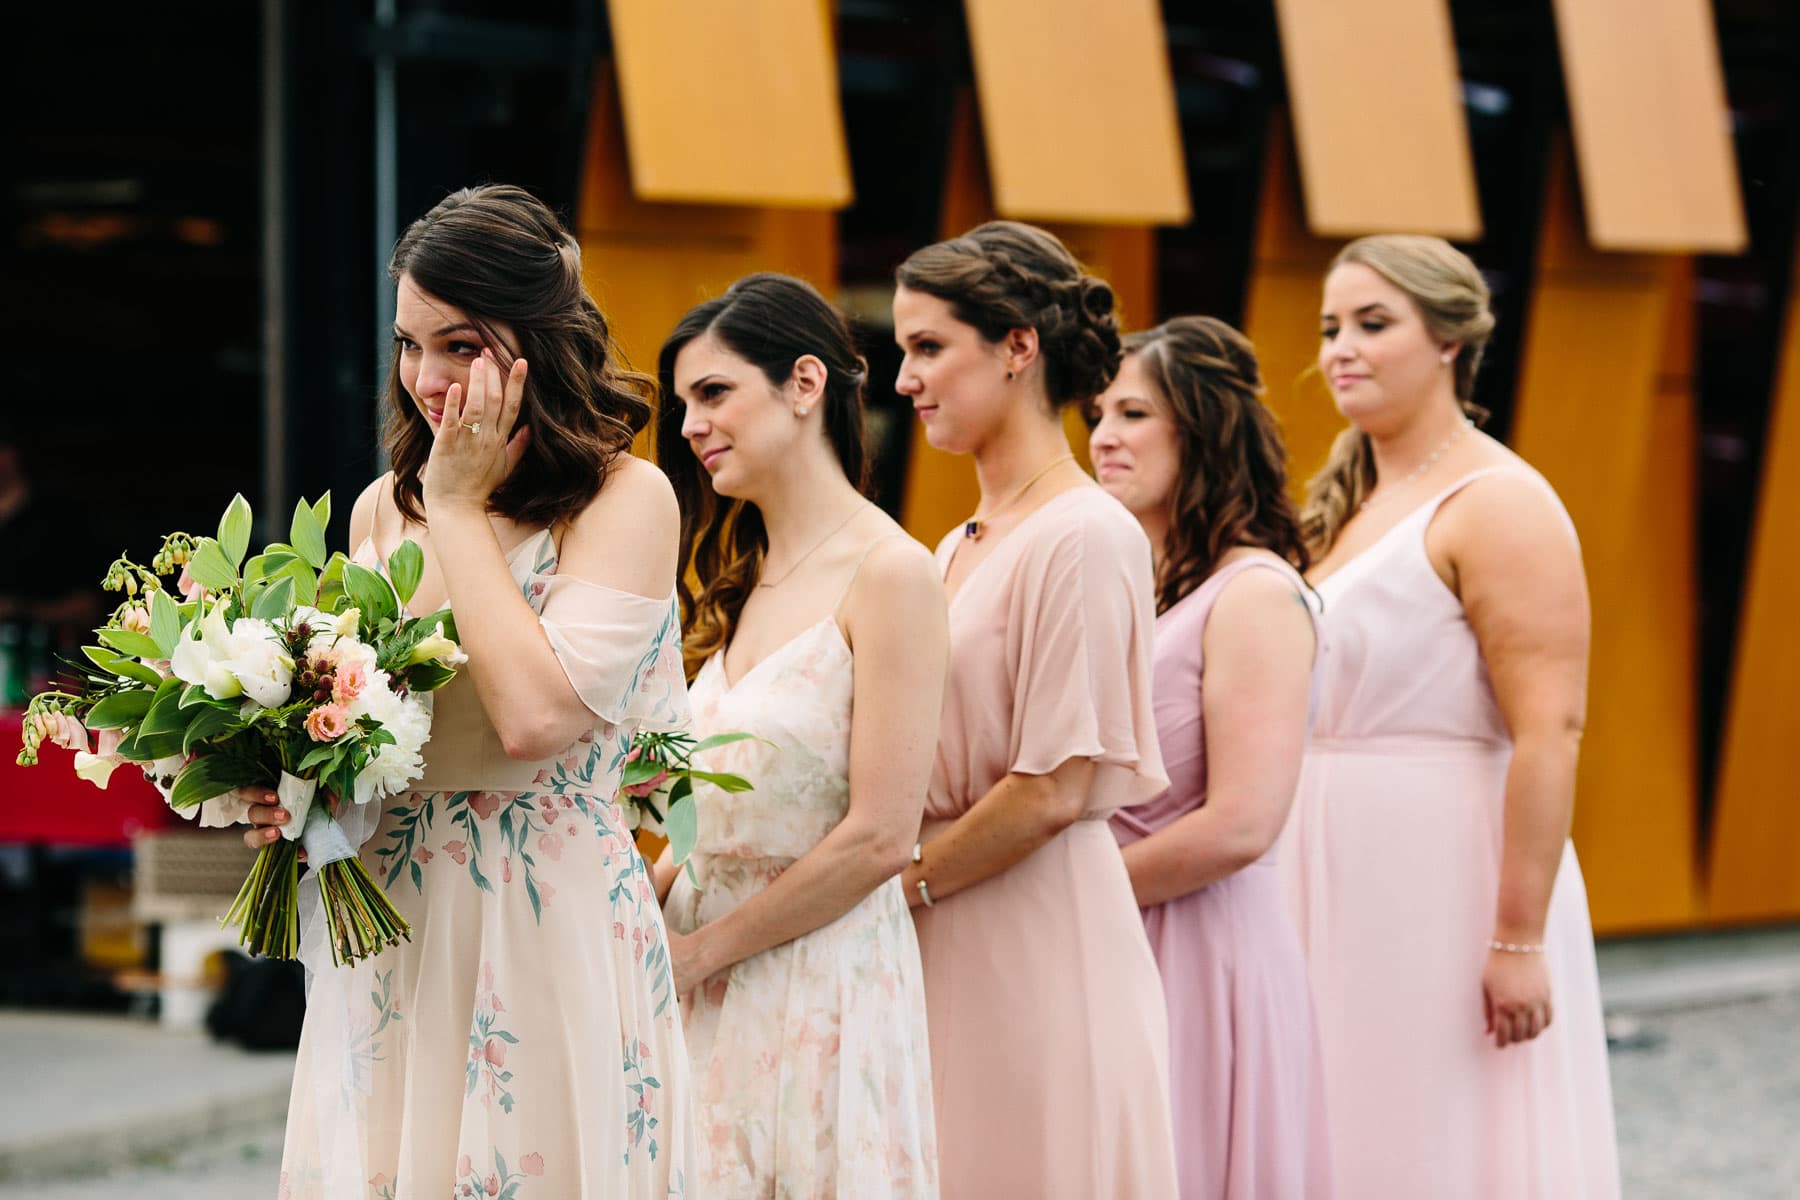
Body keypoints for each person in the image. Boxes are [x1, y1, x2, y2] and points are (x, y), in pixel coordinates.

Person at [241, 184, 694, 1198]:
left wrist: (454, 503)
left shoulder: (626, 498)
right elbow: (372, 741)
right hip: (397, 914)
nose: (426, 378)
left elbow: (536, 716)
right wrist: (289, 783)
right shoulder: (377, 511)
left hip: (546, 909)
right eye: (409, 345)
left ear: (538, 339)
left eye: (459, 346)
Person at [1280, 235, 1619, 1197]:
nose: (1340, 348)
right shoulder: (1350, 502)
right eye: (1331, 327)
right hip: (1317, 861)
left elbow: (1551, 730)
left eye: (1372, 324)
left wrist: (1517, 939)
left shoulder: (1501, 503)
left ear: (1449, 341)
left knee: (1427, 1126)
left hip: (1441, 873)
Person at [891, 221, 1179, 1198]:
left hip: (1033, 940)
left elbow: (1054, 787)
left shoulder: (1087, 536)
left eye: (929, 348)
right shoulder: (948, 548)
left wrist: (894, 888)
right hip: (940, 935)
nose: (905, 379)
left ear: (1018, 346)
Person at [652, 273, 944, 1196]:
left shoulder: (894, 573)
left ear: (805, 383)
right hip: (699, 976)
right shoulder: (740, 572)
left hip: (821, 977)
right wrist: (637, 907)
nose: (691, 425)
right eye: (683, 405)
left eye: (714, 393)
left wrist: (706, 950)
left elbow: (881, 835)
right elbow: (700, 814)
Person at [1089, 315, 1331, 1200]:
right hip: (1103, 939)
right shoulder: (1130, 589)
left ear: (1203, 428)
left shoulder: (1256, 595)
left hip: (1198, 946)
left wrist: (1067, 900)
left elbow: (1241, 824)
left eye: (1134, 414)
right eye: (1100, 414)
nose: (1105, 436)